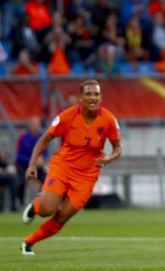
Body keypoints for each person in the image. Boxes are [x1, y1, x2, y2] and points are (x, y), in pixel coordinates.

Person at [20, 79, 122, 255]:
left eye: (96, 94)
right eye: (88, 94)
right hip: (63, 167)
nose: (93, 97)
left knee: (63, 216)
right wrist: (32, 164)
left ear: (101, 97)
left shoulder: (109, 120)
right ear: (81, 98)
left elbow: (118, 147)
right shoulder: (66, 117)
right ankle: (36, 205)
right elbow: (44, 139)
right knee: (47, 210)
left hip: (87, 176)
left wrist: (110, 157)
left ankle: (28, 242)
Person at [15, 117, 48, 207]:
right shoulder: (23, 137)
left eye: (37, 124)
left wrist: (42, 159)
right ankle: (20, 202)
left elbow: (45, 152)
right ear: (30, 125)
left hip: (38, 167)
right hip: (24, 166)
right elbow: (18, 156)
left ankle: (42, 201)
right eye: (33, 124)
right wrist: (32, 160)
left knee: (47, 180)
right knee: (21, 182)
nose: (35, 126)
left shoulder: (42, 137)